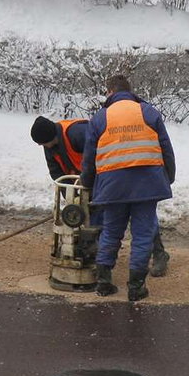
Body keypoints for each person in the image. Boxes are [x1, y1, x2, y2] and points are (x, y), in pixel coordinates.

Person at [30, 115, 170, 277]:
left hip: (113, 170)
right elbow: (57, 173)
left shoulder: (77, 133)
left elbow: (101, 151)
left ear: (49, 137)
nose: (42, 146)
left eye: (42, 143)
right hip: (88, 178)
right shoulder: (49, 147)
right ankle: (97, 256)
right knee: (93, 214)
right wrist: (72, 201)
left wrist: (93, 181)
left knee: (140, 214)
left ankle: (159, 253)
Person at [80, 75, 176, 301]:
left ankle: (104, 282)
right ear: (130, 91)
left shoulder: (100, 117)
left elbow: (89, 157)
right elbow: (166, 148)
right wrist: (167, 177)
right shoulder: (148, 112)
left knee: (112, 230)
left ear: (110, 92)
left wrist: (88, 184)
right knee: (143, 234)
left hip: (113, 186)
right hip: (147, 184)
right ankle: (136, 287)